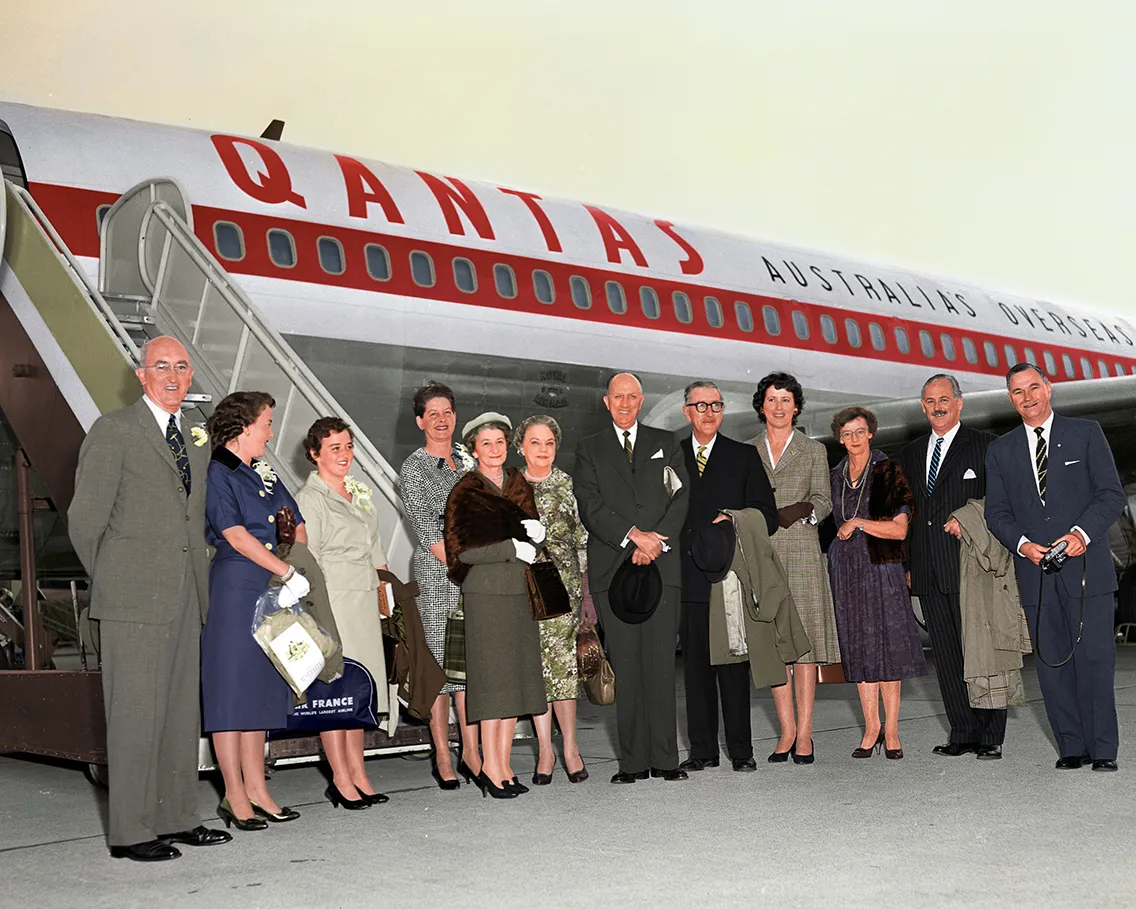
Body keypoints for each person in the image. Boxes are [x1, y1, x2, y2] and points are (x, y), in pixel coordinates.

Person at [68, 336, 231, 861]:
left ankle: (177, 816)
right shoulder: (114, 431)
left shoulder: (196, 439)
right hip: (133, 597)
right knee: (135, 715)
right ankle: (132, 831)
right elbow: (84, 522)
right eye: (161, 366)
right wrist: (119, 577)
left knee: (181, 712)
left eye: (182, 367)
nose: (172, 375)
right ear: (141, 375)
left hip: (187, 592)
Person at [984, 363, 1126, 772]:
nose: (1027, 397)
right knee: (1051, 665)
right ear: (1009, 398)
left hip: (1087, 571)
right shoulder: (1001, 450)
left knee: (1095, 662)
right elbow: (997, 513)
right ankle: (1072, 748)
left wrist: (1081, 534)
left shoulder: (1086, 433)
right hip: (1036, 572)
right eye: (1017, 392)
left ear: (1049, 389)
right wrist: (1025, 546)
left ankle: (1102, 750)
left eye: (1033, 388)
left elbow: (1110, 494)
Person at [202, 391, 313, 824]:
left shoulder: (262, 472)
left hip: (272, 583)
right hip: (237, 585)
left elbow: (297, 522)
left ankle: (258, 789)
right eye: (266, 423)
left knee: (260, 691)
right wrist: (285, 573)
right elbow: (234, 534)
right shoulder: (220, 471)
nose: (270, 433)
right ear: (245, 427)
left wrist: (292, 563)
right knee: (231, 694)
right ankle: (234, 794)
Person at [574, 373, 690, 783]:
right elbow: (590, 504)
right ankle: (632, 764)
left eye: (632, 397)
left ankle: (666, 760)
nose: (624, 403)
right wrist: (632, 536)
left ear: (641, 401)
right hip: (613, 569)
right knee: (626, 665)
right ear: (607, 403)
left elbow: (681, 497)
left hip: (661, 565)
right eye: (617, 397)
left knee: (660, 664)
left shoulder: (667, 442)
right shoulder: (589, 449)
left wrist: (654, 542)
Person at [444, 413, 548, 799]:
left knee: (512, 684)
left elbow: (529, 530)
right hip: (486, 592)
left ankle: (503, 765)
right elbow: (462, 551)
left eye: (500, 442)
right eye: (486, 443)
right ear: (474, 449)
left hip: (518, 590)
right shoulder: (466, 491)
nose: (494, 449)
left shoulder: (518, 483)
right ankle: (490, 767)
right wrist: (511, 547)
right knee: (491, 684)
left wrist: (535, 532)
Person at [899, 374, 1003, 760]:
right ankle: (963, 731)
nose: (937, 406)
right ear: (923, 406)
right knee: (945, 654)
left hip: (969, 564)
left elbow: (998, 502)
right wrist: (908, 563)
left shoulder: (984, 446)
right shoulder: (910, 453)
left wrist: (970, 520)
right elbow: (907, 511)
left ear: (959, 403)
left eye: (944, 399)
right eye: (929, 400)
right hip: (927, 568)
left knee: (981, 651)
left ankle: (992, 733)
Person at [677, 381, 777, 773]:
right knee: (696, 667)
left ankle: (741, 750)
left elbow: (767, 514)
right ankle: (702, 750)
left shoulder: (742, 456)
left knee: (733, 667)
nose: (708, 412)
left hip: (728, 577)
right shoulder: (671, 456)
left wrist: (735, 518)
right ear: (687, 412)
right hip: (687, 575)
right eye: (699, 406)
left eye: (715, 405)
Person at [295, 417, 391, 807]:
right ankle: (340, 777)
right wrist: (316, 613)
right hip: (333, 602)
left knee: (358, 692)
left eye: (348, 446)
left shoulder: (359, 493)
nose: (344, 455)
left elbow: (376, 548)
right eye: (334, 448)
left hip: (365, 601)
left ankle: (359, 771)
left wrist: (387, 595)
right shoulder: (310, 498)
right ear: (315, 454)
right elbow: (308, 559)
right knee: (334, 693)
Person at [827, 406, 926, 759]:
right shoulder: (836, 475)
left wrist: (858, 523)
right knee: (859, 650)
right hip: (847, 572)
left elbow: (899, 528)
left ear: (871, 433)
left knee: (887, 650)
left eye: (860, 432)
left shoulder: (887, 471)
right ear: (840, 438)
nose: (853, 439)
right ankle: (872, 728)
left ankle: (893, 730)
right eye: (847, 433)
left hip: (881, 569)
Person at [751, 372, 840, 764]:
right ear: (761, 406)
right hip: (762, 554)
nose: (779, 407)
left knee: (803, 647)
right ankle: (785, 730)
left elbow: (824, 500)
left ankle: (805, 732)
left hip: (802, 552)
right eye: (772, 399)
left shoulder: (813, 450)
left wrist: (805, 512)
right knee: (774, 648)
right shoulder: (747, 451)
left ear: (797, 407)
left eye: (786, 400)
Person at [397, 383, 480, 789]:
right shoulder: (413, 469)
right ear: (419, 421)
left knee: (468, 670)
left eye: (447, 411)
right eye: (433, 413)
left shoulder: (467, 460)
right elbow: (429, 532)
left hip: (475, 574)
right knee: (441, 671)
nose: (442, 419)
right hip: (439, 575)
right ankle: (442, 756)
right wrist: (470, 565)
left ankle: (472, 751)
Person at [514, 414, 592, 785]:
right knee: (536, 670)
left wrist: (586, 589)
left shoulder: (567, 484)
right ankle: (544, 748)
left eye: (549, 443)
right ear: (521, 446)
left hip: (563, 587)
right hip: (523, 587)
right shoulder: (509, 485)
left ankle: (571, 747)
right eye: (535, 442)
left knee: (563, 669)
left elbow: (581, 539)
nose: (542, 450)